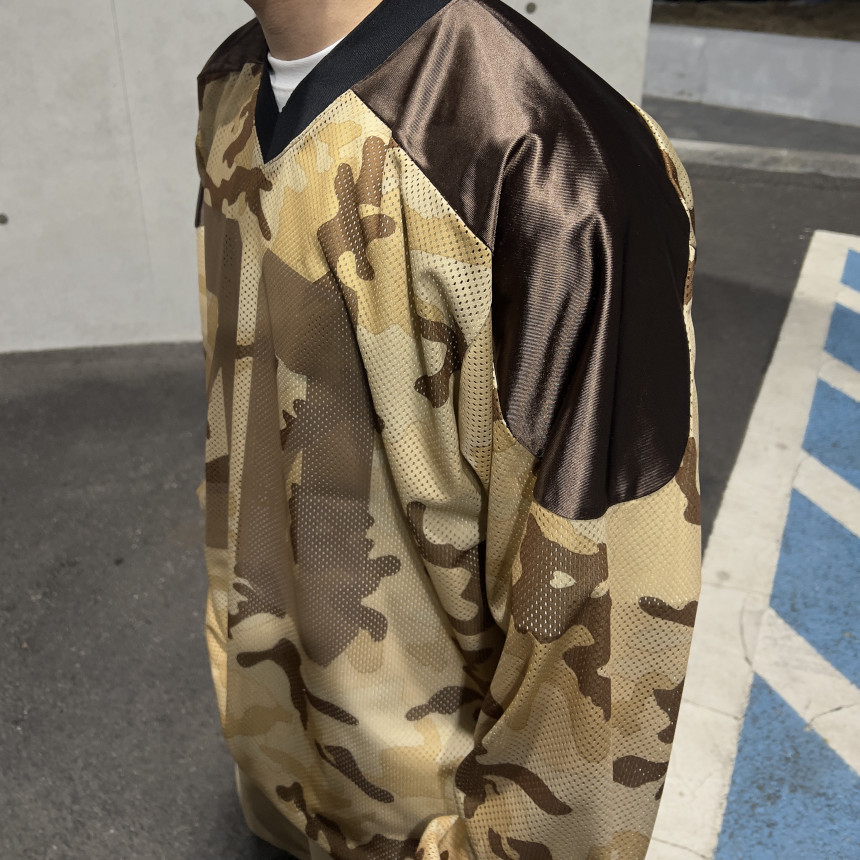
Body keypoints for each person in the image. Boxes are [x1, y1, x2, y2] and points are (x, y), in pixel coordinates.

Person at [193, 0, 702, 857]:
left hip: (431, 825)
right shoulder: (233, 86)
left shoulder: (554, 179)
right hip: (277, 754)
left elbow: (602, 638)